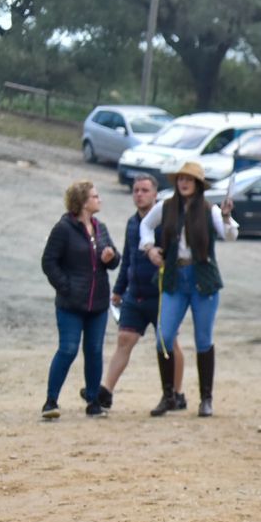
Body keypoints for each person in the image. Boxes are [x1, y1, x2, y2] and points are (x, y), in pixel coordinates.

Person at [141, 161, 236, 418]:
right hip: (174, 276)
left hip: (202, 278)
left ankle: (206, 398)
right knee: (164, 335)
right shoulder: (166, 207)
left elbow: (230, 235)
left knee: (203, 339)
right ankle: (168, 395)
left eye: (189, 179)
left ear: (197, 185)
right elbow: (146, 225)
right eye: (181, 179)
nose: (184, 183)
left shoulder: (209, 209)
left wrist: (227, 217)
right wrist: (149, 248)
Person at [100, 175, 185, 414]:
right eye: (136, 190)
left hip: (162, 294)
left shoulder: (165, 222)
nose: (139, 194)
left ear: (155, 194)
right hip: (135, 294)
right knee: (124, 340)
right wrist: (118, 290)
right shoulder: (131, 223)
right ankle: (106, 392)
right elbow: (128, 258)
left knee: (169, 343)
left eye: (145, 190)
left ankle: (176, 393)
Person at [40, 180, 119, 418]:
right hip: (71, 304)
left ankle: (93, 402)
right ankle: (51, 401)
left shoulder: (100, 227)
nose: (99, 199)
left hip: (98, 303)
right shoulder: (63, 229)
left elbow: (115, 260)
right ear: (83, 202)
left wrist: (110, 257)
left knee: (94, 351)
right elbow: (48, 262)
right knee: (68, 349)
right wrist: (65, 286)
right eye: (95, 196)